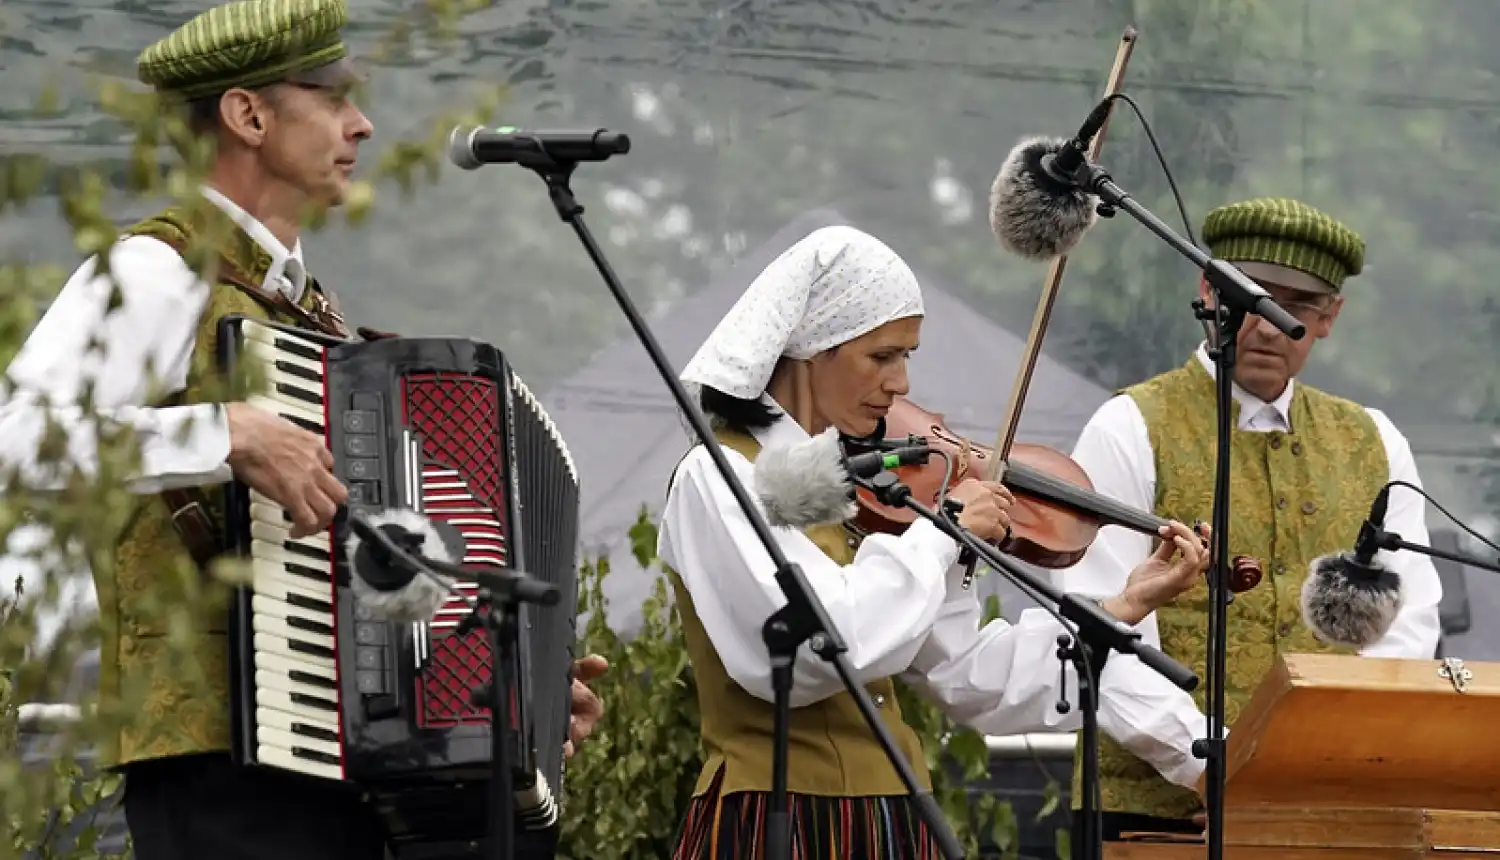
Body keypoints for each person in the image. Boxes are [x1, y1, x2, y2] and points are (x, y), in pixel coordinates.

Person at [0, 0, 606, 857]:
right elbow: (19, 437)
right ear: (247, 115)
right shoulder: (153, 270)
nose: (361, 124)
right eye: (331, 95)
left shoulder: (307, 314)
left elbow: (356, 572)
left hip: (329, 771)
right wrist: (227, 433)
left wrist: (509, 687)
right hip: (219, 778)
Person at [658, 224, 1214, 860]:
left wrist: (1116, 611)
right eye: (881, 356)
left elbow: (967, 674)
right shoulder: (719, 474)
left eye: (907, 358)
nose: (901, 385)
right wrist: (940, 533)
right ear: (810, 349)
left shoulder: (859, 490)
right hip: (776, 821)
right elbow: (819, 648)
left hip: (893, 819)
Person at [1054, 196, 1444, 844]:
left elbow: (1408, 626)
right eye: (1253, 296)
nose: (1267, 325)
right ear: (1210, 289)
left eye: (1296, 306)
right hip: (1153, 817)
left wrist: (1313, 774)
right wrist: (1213, 766)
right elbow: (1100, 627)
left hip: (1324, 812)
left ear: (1329, 318)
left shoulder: (1374, 442)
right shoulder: (1128, 426)